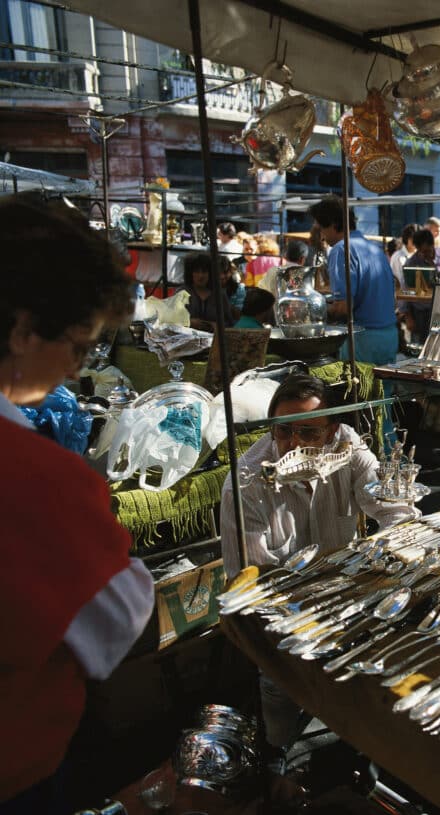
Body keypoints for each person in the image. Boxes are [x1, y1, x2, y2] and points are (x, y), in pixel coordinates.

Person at [0, 195, 153, 813]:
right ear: (23, 329)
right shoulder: (35, 478)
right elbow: (121, 620)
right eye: (79, 346)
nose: (73, 369)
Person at [220, 374, 417, 761]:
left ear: (333, 431)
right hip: (284, 619)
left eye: (308, 433)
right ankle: (278, 764)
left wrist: (386, 551)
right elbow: (252, 584)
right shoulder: (246, 482)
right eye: (283, 432)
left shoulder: (348, 449)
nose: (293, 444)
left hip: (351, 604)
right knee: (281, 710)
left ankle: (366, 755)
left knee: (380, 690)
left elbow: (397, 512)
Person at [310, 195, 398, 365]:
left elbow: (343, 308)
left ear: (334, 225)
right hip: (389, 335)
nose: (321, 237)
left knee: (359, 390)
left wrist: (313, 310)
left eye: (322, 229)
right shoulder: (374, 248)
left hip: (364, 339)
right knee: (383, 391)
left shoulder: (340, 249)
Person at [402, 228, 440, 342]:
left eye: (428, 250)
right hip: (420, 314)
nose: (426, 254)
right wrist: (408, 317)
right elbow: (406, 290)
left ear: (433, 245)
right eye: (422, 252)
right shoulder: (411, 263)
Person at [182, 251, 233, 332]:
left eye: (204, 272)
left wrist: (212, 326)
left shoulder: (219, 294)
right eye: (196, 271)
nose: (200, 276)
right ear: (190, 273)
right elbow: (172, 321)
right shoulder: (182, 293)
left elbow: (229, 323)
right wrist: (189, 322)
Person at [389, 223, 417, 290]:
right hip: (402, 297)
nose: (414, 241)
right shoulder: (398, 256)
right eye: (412, 238)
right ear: (406, 238)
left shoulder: (419, 255)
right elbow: (401, 281)